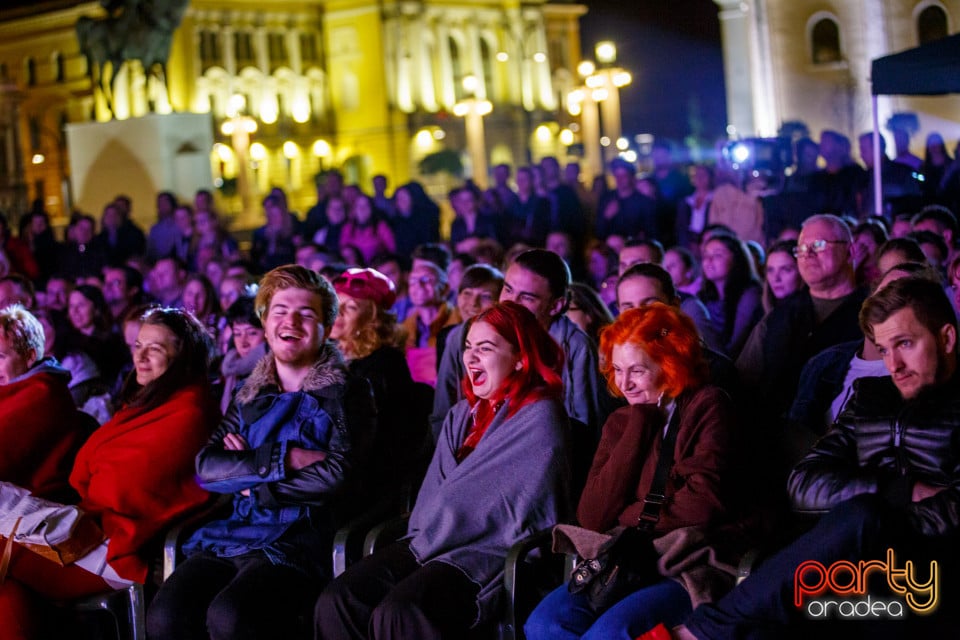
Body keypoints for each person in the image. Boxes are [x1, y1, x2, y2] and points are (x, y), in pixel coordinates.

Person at [674, 276, 960, 638]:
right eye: (885, 349)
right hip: (853, 573)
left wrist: (879, 516)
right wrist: (898, 490)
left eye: (905, 344)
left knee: (862, 515)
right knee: (761, 631)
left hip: (931, 571)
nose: (894, 364)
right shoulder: (871, 397)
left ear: (947, 338)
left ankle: (699, 633)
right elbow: (803, 483)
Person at [314, 302, 570, 639]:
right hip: (429, 538)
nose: (471, 357)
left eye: (486, 348)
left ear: (521, 357)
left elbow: (518, 511)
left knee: (402, 611)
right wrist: (436, 520)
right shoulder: (462, 415)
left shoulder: (540, 416)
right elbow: (435, 493)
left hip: (486, 550)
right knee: (340, 599)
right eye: (468, 347)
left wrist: (441, 517)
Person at [147, 265, 374, 640]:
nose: (291, 322)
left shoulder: (347, 392)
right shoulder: (251, 393)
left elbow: (337, 474)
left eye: (307, 314)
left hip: (299, 539)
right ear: (266, 323)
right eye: (280, 311)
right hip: (235, 531)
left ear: (326, 328)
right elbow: (208, 468)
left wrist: (253, 482)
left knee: (230, 615)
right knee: (165, 615)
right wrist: (287, 458)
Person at [1, 307, 219, 638]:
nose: (141, 357)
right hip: (90, 527)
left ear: (182, 357)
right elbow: (86, 471)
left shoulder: (189, 412)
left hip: (119, 550)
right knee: (8, 590)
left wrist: (96, 476)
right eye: (137, 345)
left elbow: (118, 487)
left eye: (155, 349)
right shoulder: (146, 401)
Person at [524, 303, 737, 640]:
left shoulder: (708, 406)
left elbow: (703, 503)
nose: (624, 383)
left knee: (608, 634)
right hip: (621, 560)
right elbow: (593, 515)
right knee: (544, 624)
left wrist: (628, 514)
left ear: (669, 366)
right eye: (617, 369)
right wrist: (640, 420)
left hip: (682, 563)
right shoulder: (622, 421)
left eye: (637, 370)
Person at [330, 267, 423, 497]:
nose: (337, 313)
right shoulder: (326, 356)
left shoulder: (385, 363)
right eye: (335, 304)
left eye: (350, 307)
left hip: (366, 479)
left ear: (372, 318)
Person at [697, 233, 763, 359]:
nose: (708, 260)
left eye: (717, 255)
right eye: (705, 255)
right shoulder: (702, 297)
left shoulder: (750, 294)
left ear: (736, 259)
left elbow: (736, 345)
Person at [218, 296, 267, 413]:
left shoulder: (273, 372)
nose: (243, 342)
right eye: (237, 334)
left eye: (252, 333)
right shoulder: (231, 366)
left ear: (267, 332)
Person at [761, 240, 802, 312]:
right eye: (770, 270)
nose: (776, 278)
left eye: (785, 270)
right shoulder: (761, 311)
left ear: (801, 271)